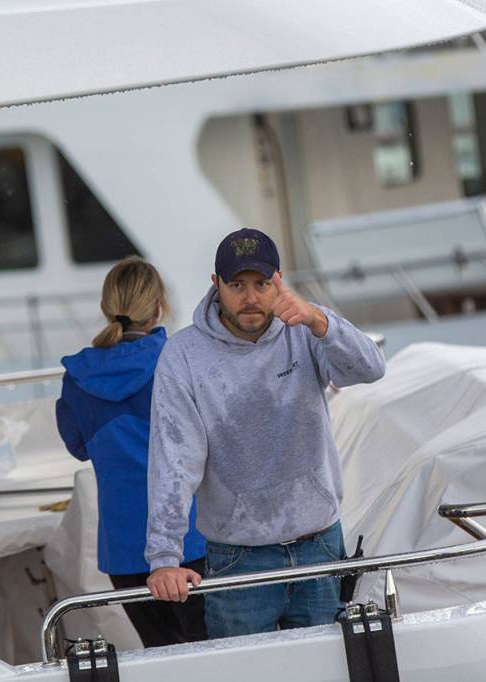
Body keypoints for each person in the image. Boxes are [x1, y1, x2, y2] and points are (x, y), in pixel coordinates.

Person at [144, 228, 385, 638]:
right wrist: (165, 556)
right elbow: (173, 460)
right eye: (237, 284)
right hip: (239, 558)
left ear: (279, 281)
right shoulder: (182, 355)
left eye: (261, 283)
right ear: (215, 284)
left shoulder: (307, 327)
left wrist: (319, 320)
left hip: (321, 547)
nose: (250, 297)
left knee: (327, 672)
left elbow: (371, 369)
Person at [56, 256, 208, 647]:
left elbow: (77, 446)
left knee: (162, 657)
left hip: (123, 549)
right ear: (159, 308)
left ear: (108, 308)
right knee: (215, 652)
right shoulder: (177, 361)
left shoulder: (78, 378)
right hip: (189, 539)